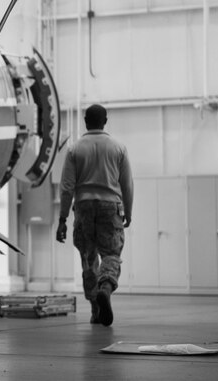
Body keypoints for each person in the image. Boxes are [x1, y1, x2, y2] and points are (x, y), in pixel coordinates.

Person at [55, 104, 133, 327]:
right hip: (111, 206)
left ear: (85, 121)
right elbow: (127, 184)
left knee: (88, 258)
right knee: (111, 254)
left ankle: (95, 310)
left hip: (84, 206)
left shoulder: (74, 149)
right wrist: (129, 210)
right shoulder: (118, 148)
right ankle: (106, 288)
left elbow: (67, 187)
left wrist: (62, 219)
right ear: (105, 120)